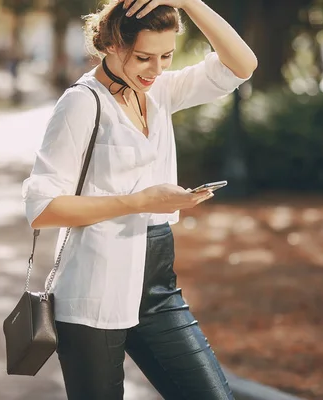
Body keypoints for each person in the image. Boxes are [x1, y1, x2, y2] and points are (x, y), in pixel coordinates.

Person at [22, 0, 257, 399]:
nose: (157, 69)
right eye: (144, 57)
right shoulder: (81, 103)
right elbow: (43, 209)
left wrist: (189, 2)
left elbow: (242, 66)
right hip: (94, 290)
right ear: (112, 44)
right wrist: (140, 201)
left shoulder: (160, 92)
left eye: (167, 55)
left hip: (158, 286)